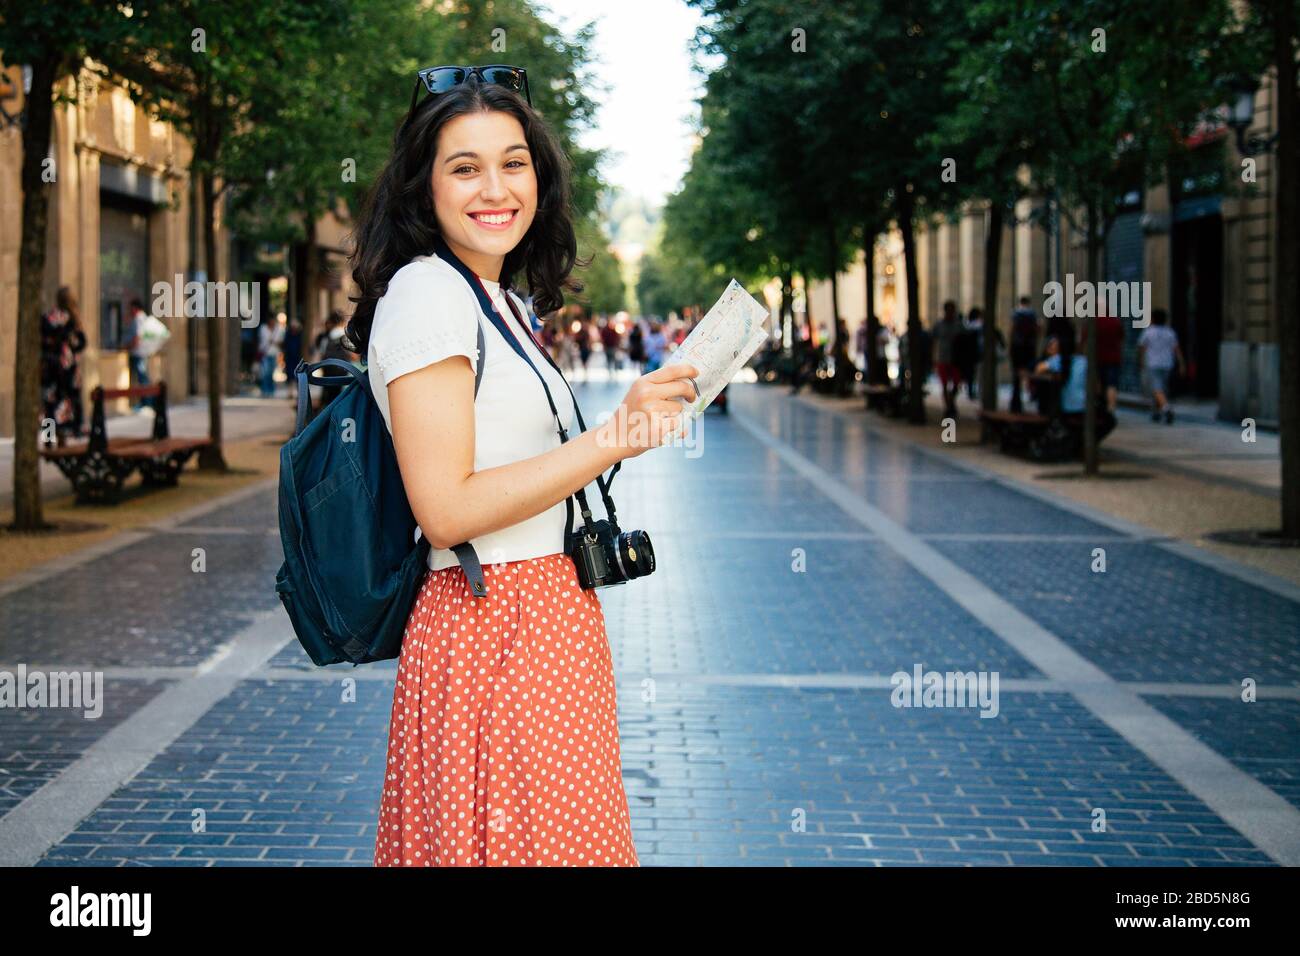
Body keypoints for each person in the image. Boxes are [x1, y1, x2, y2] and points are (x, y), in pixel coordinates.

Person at [348, 66, 698, 867]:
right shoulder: (429, 295)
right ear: (422, 188)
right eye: (463, 167)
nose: (494, 187)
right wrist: (613, 436)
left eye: (513, 162)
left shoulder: (490, 298)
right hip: (491, 628)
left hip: (540, 624)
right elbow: (444, 508)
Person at [40, 286, 88, 444]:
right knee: (66, 402)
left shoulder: (48, 317)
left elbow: (42, 341)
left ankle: (48, 439)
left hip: (49, 367)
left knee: (50, 404)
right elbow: (81, 343)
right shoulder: (72, 319)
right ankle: (63, 438)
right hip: (67, 368)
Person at [1138, 308, 1184, 424]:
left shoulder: (1148, 332)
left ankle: (1166, 408)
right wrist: (1182, 363)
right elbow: (1176, 349)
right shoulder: (1170, 332)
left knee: (1156, 389)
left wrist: (1141, 361)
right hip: (1167, 364)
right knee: (1161, 388)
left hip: (1153, 363)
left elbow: (1141, 348)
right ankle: (1156, 412)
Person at [1082, 311, 1124, 412]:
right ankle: (1111, 409)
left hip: (1096, 358)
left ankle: (1097, 406)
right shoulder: (1115, 321)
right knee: (1111, 384)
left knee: (1096, 382)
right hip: (1113, 358)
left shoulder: (1092, 321)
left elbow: (1084, 339)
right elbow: (1121, 337)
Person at [932, 300, 963, 417]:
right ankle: (948, 407)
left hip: (955, 359)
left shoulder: (959, 325)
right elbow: (934, 341)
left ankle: (950, 403)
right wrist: (934, 358)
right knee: (944, 384)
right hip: (943, 358)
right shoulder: (939, 325)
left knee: (956, 384)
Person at [1009, 296, 1039, 413]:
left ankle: (1016, 403)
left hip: (1017, 347)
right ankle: (1033, 394)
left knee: (1016, 376)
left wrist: (1011, 345)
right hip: (1029, 348)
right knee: (1031, 373)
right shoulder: (1032, 314)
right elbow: (1037, 330)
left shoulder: (1016, 314)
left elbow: (1012, 330)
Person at [124, 297, 153, 411]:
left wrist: (128, 346)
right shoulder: (144, 318)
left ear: (135, 308)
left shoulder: (138, 319)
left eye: (130, 308)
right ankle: (145, 402)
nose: (129, 310)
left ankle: (146, 403)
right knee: (143, 378)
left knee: (142, 379)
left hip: (139, 353)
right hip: (142, 352)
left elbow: (137, 337)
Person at [258, 312, 286, 397]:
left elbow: (282, 342)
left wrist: (274, 342)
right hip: (265, 353)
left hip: (274, 353)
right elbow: (260, 340)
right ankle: (265, 390)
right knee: (265, 372)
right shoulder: (263, 328)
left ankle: (271, 390)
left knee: (271, 373)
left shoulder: (279, 329)